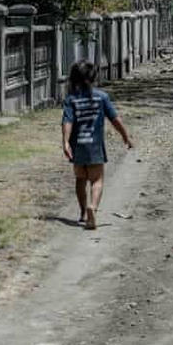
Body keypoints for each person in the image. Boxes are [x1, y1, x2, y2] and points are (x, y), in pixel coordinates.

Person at [62, 61, 133, 231]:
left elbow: (67, 121)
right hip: (94, 147)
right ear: (93, 77)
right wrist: (126, 136)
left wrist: (65, 142)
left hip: (78, 147)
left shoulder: (71, 99)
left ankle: (82, 212)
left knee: (80, 179)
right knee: (97, 180)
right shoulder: (102, 97)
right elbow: (115, 119)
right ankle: (92, 207)